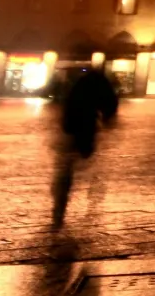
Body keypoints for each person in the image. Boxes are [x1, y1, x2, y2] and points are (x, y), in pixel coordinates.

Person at [51, 67, 119, 226]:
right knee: (82, 158)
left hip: (71, 126)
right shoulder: (100, 83)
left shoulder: (77, 84)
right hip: (85, 125)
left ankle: (61, 197)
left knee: (67, 164)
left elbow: (66, 104)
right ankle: (79, 194)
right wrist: (108, 119)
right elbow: (110, 102)